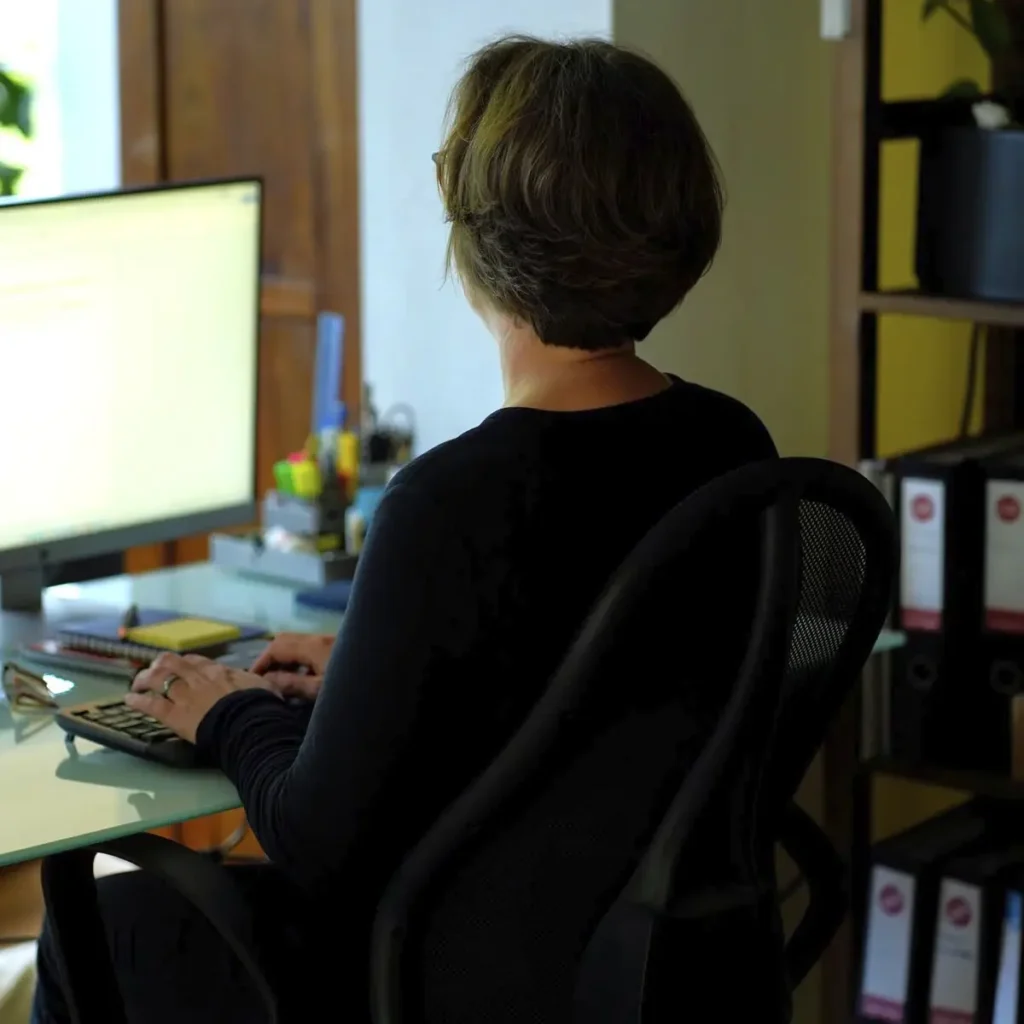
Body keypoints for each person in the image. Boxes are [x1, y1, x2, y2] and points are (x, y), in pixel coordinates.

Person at [33, 35, 777, 1024]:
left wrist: (226, 709)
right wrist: (378, 668)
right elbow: (582, 696)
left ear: (481, 239)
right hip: (657, 969)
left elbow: (315, 838)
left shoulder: (448, 501)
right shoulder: (734, 449)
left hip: (443, 975)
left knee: (96, 916)